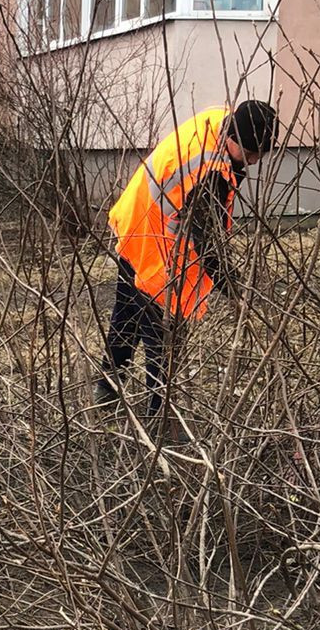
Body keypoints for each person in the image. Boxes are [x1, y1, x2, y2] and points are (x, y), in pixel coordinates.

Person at [95, 100, 278, 417]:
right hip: (154, 245)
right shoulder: (208, 171)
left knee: (126, 316)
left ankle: (107, 393)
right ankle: (159, 416)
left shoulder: (217, 122)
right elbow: (209, 246)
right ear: (232, 136)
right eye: (248, 154)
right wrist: (235, 291)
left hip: (136, 222)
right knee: (162, 338)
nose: (251, 162)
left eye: (257, 156)